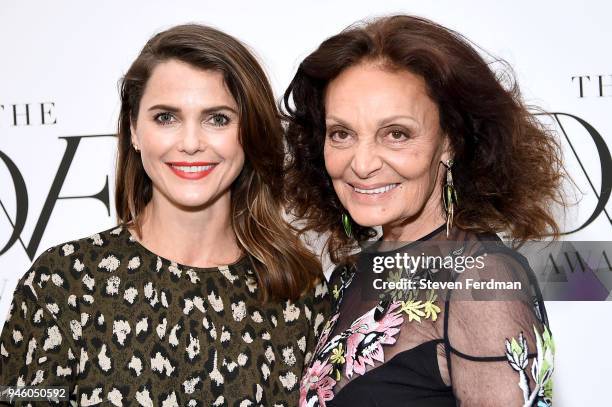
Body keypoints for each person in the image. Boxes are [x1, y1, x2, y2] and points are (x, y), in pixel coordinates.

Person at [0, 24, 330, 406]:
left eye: (218, 119)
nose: (190, 143)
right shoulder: (63, 283)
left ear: (249, 133)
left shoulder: (297, 290)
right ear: (134, 131)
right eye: (166, 118)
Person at [282, 15, 564, 407]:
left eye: (396, 134)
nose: (361, 164)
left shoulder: (481, 281)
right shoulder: (351, 274)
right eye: (341, 133)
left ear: (450, 141)